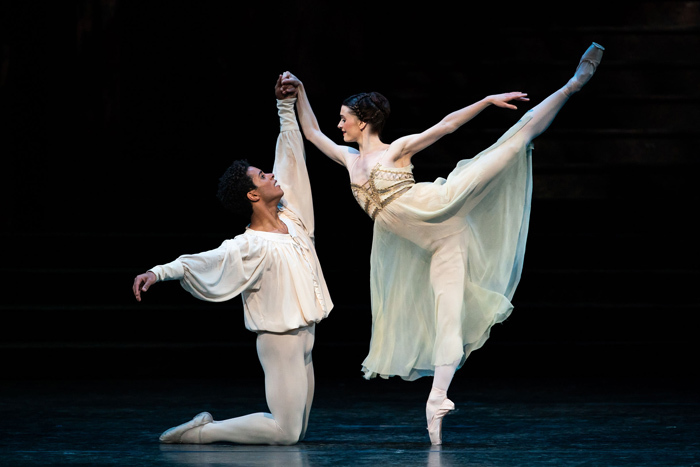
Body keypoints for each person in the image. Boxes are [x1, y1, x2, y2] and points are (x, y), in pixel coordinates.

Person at [282, 42, 604, 444]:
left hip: (444, 203)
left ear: (363, 122)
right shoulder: (348, 159)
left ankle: (573, 84)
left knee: (513, 142)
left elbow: (446, 125)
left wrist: (486, 100)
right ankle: (437, 401)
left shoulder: (395, 150)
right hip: (439, 244)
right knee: (446, 319)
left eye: (344, 118)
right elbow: (310, 132)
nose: (339, 124)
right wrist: (299, 89)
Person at [131, 76, 332, 445]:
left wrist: (285, 105)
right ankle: (201, 434)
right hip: (280, 339)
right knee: (285, 434)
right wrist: (157, 272)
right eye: (262, 175)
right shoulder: (247, 244)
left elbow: (290, 154)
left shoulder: (294, 217)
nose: (271, 174)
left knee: (298, 432)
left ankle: (204, 431)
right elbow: (201, 261)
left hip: (306, 334)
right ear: (254, 194)